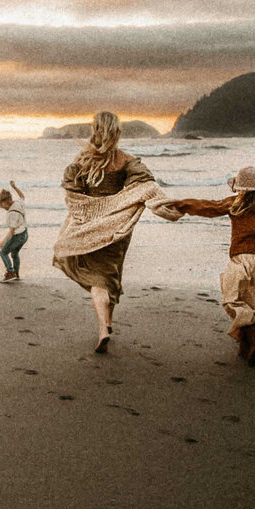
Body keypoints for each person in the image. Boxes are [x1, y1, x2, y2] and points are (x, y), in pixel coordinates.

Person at [53, 111, 182, 353]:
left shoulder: (81, 162)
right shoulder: (127, 160)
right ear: (117, 132)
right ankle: (107, 322)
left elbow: (73, 192)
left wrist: (88, 211)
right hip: (118, 229)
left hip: (89, 228)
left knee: (98, 280)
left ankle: (103, 328)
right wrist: (168, 206)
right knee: (109, 276)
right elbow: (146, 186)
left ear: (95, 130)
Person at [169, 166, 255, 366]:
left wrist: (182, 205)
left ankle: (253, 334)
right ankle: (248, 347)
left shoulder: (235, 203)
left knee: (231, 298)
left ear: (240, 188)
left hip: (243, 256)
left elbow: (208, 207)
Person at [0, 180, 28, 282]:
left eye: (2, 204)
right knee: (14, 254)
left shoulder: (12, 213)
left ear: (8, 201)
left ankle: (10, 272)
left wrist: (2, 242)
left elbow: (12, 231)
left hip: (18, 236)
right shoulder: (18, 202)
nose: (1, 207)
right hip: (25, 234)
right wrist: (15, 187)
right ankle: (16, 273)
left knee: (3, 252)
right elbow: (22, 196)